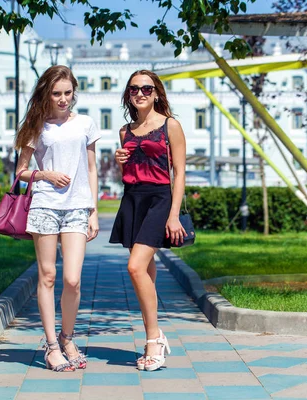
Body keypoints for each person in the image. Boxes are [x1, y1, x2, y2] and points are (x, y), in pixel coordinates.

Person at [15, 65, 100, 372]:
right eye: (57, 94)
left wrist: (93, 210)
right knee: (48, 275)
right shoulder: (36, 125)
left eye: (68, 93)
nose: (63, 99)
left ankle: (67, 336)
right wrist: (45, 173)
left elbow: (91, 168)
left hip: (77, 206)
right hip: (45, 205)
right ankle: (51, 346)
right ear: (46, 94)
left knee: (73, 280)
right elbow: (21, 172)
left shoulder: (86, 124)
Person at [109, 70, 187, 371]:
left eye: (146, 88)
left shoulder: (171, 126)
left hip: (159, 199)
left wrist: (173, 214)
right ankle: (152, 339)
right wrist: (120, 163)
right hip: (132, 199)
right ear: (128, 95)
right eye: (133, 89)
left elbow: (178, 172)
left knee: (135, 267)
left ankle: (154, 340)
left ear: (156, 93)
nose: (139, 93)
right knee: (146, 276)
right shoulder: (124, 131)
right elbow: (129, 174)